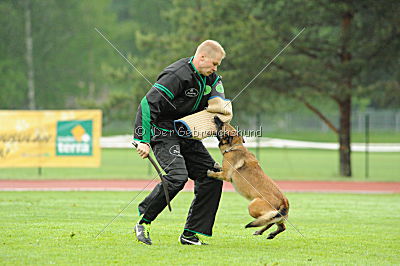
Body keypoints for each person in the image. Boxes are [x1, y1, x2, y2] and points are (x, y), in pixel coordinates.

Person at [133, 40, 227, 245]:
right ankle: (144, 221)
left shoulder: (210, 77)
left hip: (185, 131)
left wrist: (221, 108)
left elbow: (219, 100)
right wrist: (142, 140)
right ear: (201, 57)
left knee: (212, 177)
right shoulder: (176, 75)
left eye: (217, 65)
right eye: (214, 64)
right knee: (177, 177)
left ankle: (190, 234)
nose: (215, 69)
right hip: (162, 130)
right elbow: (147, 105)